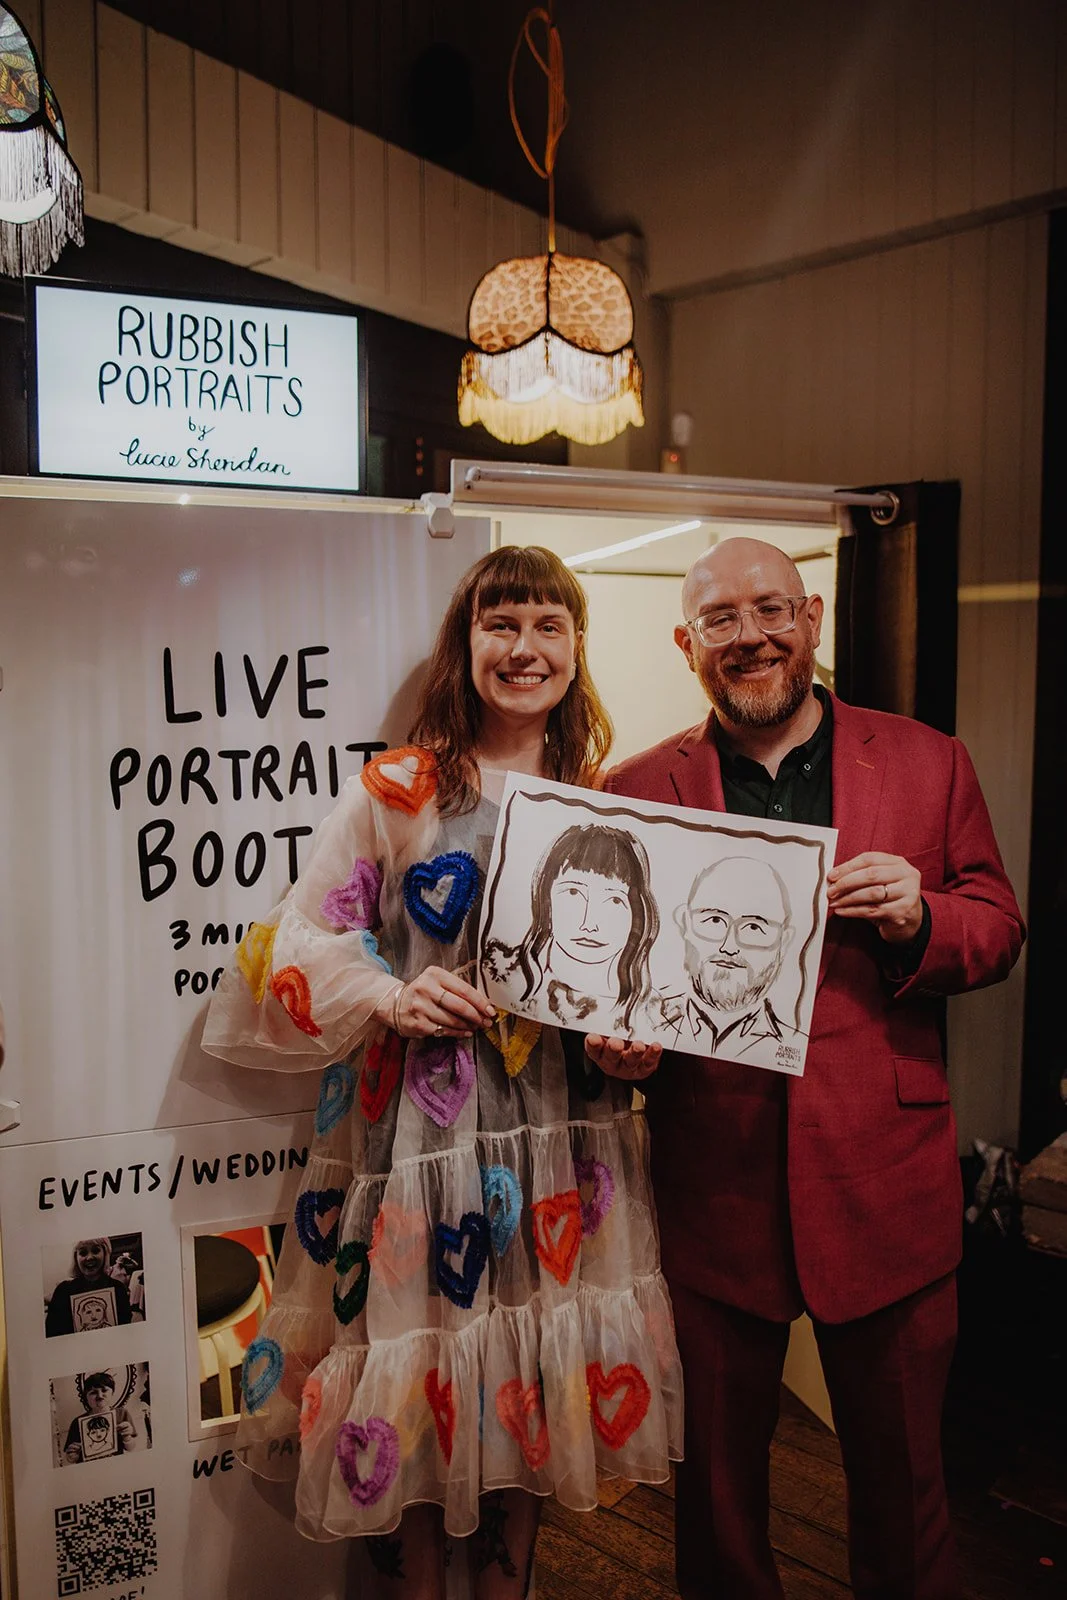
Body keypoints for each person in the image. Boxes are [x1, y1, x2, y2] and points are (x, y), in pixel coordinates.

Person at [202, 545, 682, 1600]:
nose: (523, 648)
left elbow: (623, 965)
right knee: (422, 1361)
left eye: (547, 626)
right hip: (426, 1136)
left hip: (561, 1129)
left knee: (535, 1369)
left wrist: (625, 1039)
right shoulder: (402, 786)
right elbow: (293, 939)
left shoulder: (600, 797)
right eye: (500, 624)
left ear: (574, 648)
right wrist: (389, 994)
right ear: (464, 645)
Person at [588, 537, 1024, 1600]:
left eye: (770, 609)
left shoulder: (927, 760)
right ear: (686, 642)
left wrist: (922, 913)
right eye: (723, 620)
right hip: (712, 1193)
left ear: (813, 616)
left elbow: (997, 926)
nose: (751, 636)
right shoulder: (635, 787)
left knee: (904, 1491)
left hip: (884, 1184)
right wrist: (621, 1054)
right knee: (718, 1503)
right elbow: (614, 976)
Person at [484, 822, 659, 1032]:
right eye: (574, 893)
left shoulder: (652, 1017)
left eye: (614, 900)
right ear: (544, 896)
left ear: (639, 913)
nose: (589, 924)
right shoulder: (501, 975)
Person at [653, 855, 806, 1070]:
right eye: (715, 920)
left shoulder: (793, 1042)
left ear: (785, 941)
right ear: (684, 923)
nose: (729, 946)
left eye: (754, 927)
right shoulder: (646, 1021)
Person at [45, 1238, 133, 1338]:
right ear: (76, 1257)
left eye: (95, 1251)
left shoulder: (118, 1288)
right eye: (83, 1253)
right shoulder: (63, 1291)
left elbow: (126, 1330)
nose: (89, 1257)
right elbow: (52, 1332)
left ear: (105, 1254)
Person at [62, 1371, 137, 1463]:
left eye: (104, 1390)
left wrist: (127, 1437)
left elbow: (131, 1448)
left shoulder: (122, 1413)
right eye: (93, 1392)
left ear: (112, 1392)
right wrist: (72, 1455)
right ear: (86, 1397)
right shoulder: (77, 1422)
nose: (100, 1396)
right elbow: (71, 1459)